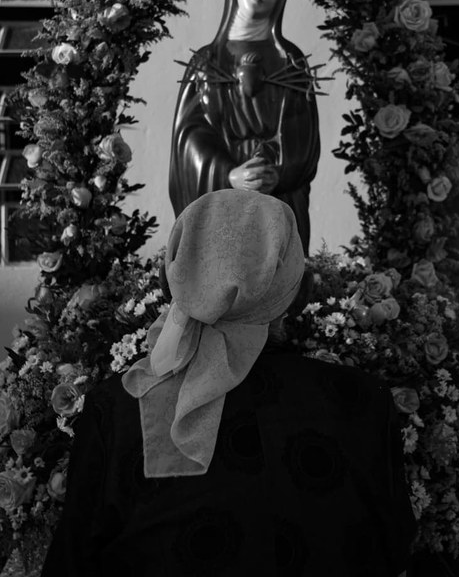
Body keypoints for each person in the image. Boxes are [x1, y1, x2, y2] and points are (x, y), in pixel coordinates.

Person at [41, 189, 416, 576]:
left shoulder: (116, 410)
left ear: (172, 281)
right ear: (299, 291)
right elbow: (395, 551)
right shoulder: (365, 401)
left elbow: (72, 563)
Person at [169, 0, 323, 253]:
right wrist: (228, 174)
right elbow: (189, 138)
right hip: (219, 207)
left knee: (272, 276)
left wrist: (275, 171)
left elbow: (303, 137)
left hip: (276, 205)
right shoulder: (206, 61)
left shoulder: (290, 60)